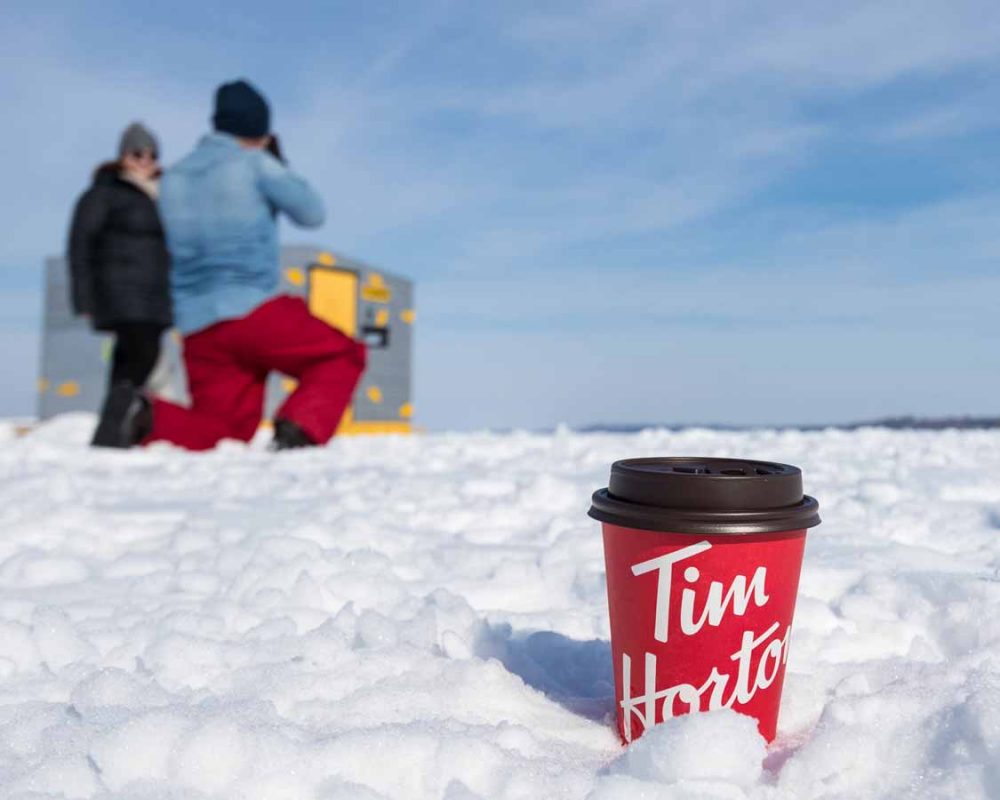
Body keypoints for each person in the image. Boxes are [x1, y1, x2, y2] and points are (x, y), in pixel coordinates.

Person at [100, 79, 366, 451]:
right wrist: (275, 163)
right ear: (259, 129)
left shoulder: (172, 178)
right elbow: (312, 212)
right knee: (341, 354)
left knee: (223, 431)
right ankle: (299, 430)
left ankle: (143, 415)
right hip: (254, 309)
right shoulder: (254, 164)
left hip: (198, 326)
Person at [68, 122, 172, 448]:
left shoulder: (164, 194)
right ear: (124, 157)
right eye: (138, 153)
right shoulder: (105, 193)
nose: (145, 160)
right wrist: (84, 298)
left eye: (152, 154)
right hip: (120, 291)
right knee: (142, 354)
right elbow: (80, 245)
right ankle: (113, 432)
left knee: (130, 360)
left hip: (155, 295)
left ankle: (116, 433)